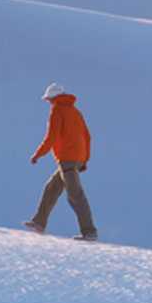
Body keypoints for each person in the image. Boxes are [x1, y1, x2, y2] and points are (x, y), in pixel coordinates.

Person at [22, 83, 99, 240]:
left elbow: (51, 137)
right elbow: (87, 136)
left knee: (76, 196)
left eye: (49, 99)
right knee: (52, 188)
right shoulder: (76, 112)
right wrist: (84, 160)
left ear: (53, 98)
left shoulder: (57, 110)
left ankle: (89, 232)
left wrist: (37, 155)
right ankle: (39, 222)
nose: (49, 102)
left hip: (68, 160)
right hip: (76, 159)